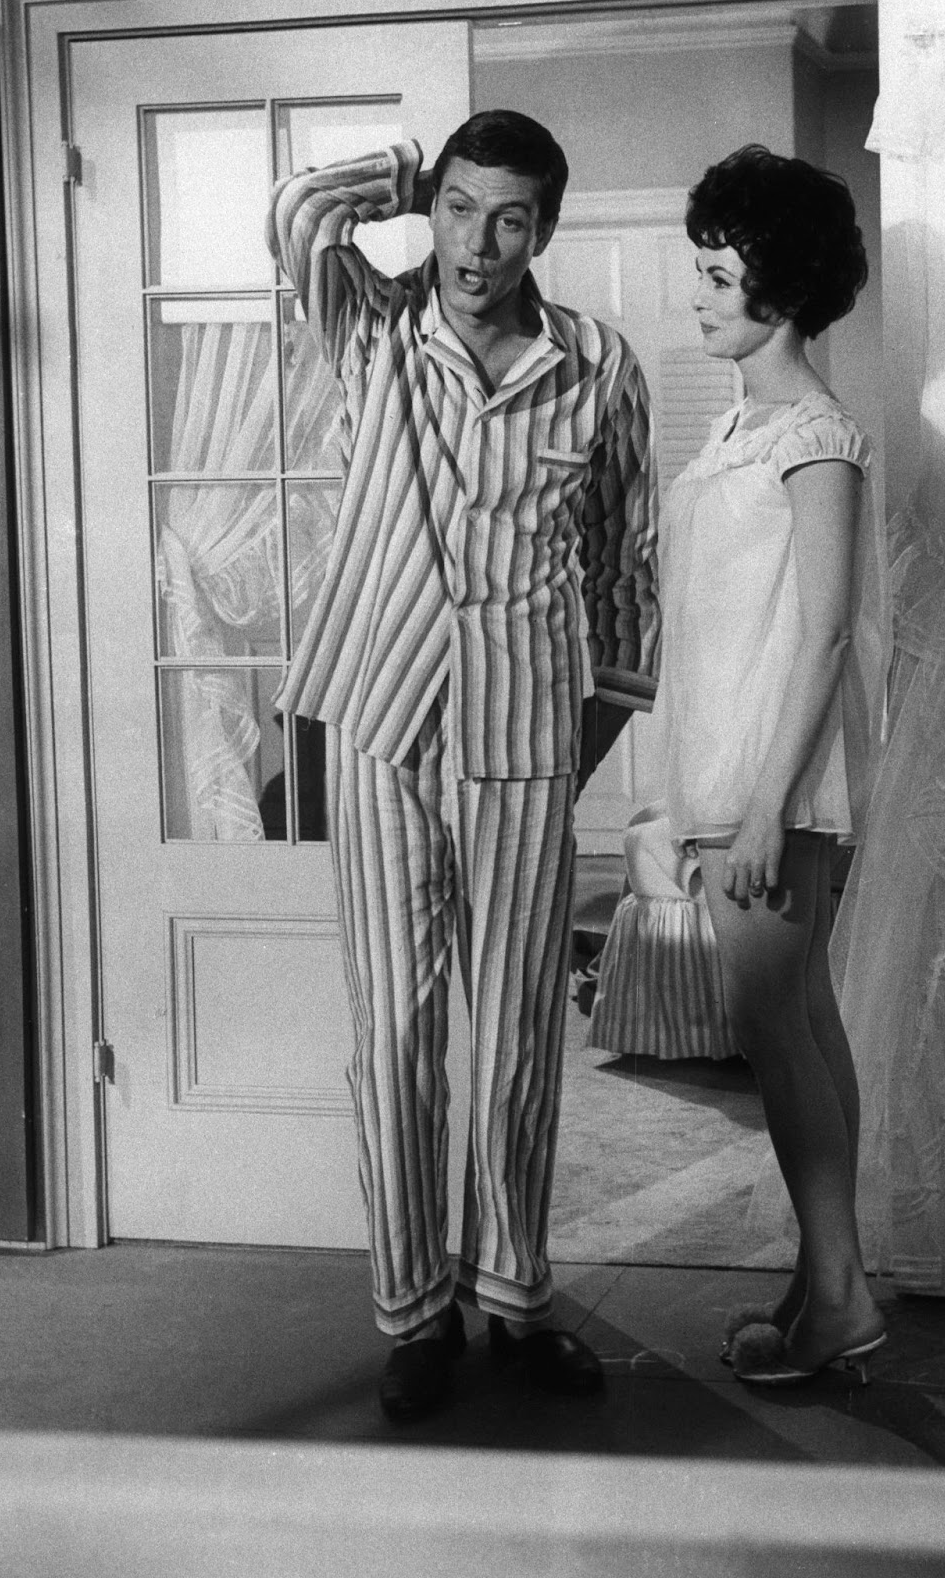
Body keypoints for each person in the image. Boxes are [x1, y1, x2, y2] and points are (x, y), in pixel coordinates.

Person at [266, 110, 659, 1421]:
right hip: (382, 724)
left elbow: (626, 568)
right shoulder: (369, 327)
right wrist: (397, 168)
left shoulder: (598, 366)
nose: (479, 246)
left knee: (513, 1045)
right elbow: (294, 218)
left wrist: (583, 733)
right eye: (457, 208)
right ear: (430, 207)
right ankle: (414, 1312)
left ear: (544, 228)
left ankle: (511, 1298)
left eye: (509, 218)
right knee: (394, 1034)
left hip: (525, 739)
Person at [654, 145, 889, 1384]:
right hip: (729, 777)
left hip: (770, 786)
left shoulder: (816, 436)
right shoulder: (741, 430)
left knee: (774, 1028)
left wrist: (761, 809)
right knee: (803, 1021)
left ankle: (841, 1298)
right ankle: (823, 1290)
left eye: (716, 273)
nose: (696, 293)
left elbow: (829, 630)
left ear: (780, 287)